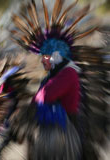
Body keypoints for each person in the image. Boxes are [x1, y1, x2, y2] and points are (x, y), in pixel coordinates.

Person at [7, 0, 99, 159]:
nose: (42, 60)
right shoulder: (55, 74)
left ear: (57, 55)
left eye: (45, 56)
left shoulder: (68, 73)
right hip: (53, 125)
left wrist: (37, 97)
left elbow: (47, 95)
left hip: (67, 127)